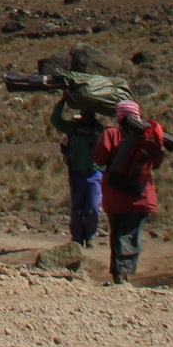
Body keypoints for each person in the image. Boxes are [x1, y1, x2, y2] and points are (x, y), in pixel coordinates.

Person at [95, 99, 169, 285]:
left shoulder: (111, 134)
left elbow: (100, 159)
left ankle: (118, 273)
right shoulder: (150, 136)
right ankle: (122, 273)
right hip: (140, 194)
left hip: (114, 194)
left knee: (117, 233)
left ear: (119, 117)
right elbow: (156, 163)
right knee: (129, 234)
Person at [52, 87, 103, 248]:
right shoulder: (73, 128)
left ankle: (90, 235)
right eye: (86, 114)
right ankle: (77, 239)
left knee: (93, 207)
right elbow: (55, 120)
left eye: (90, 114)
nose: (88, 117)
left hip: (95, 173)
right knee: (77, 207)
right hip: (76, 173)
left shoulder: (100, 130)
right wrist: (63, 101)